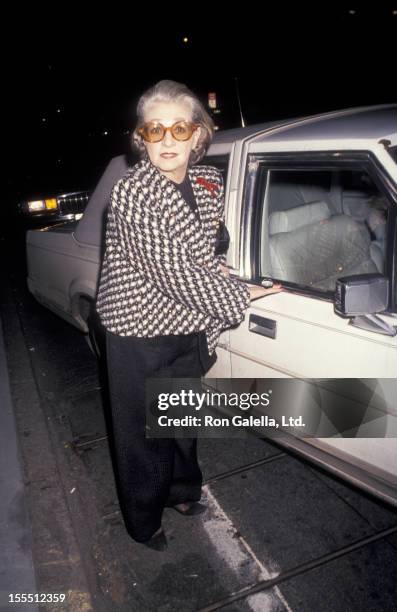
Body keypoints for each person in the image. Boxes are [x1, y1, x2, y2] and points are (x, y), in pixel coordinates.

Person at [95, 80, 282, 550]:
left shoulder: (208, 181)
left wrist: (223, 265)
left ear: (199, 134)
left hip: (187, 323)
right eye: (154, 130)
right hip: (139, 330)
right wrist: (242, 293)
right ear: (142, 137)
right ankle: (143, 520)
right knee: (141, 434)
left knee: (180, 418)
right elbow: (173, 271)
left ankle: (181, 491)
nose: (167, 141)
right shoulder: (132, 193)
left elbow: (206, 245)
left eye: (180, 128)